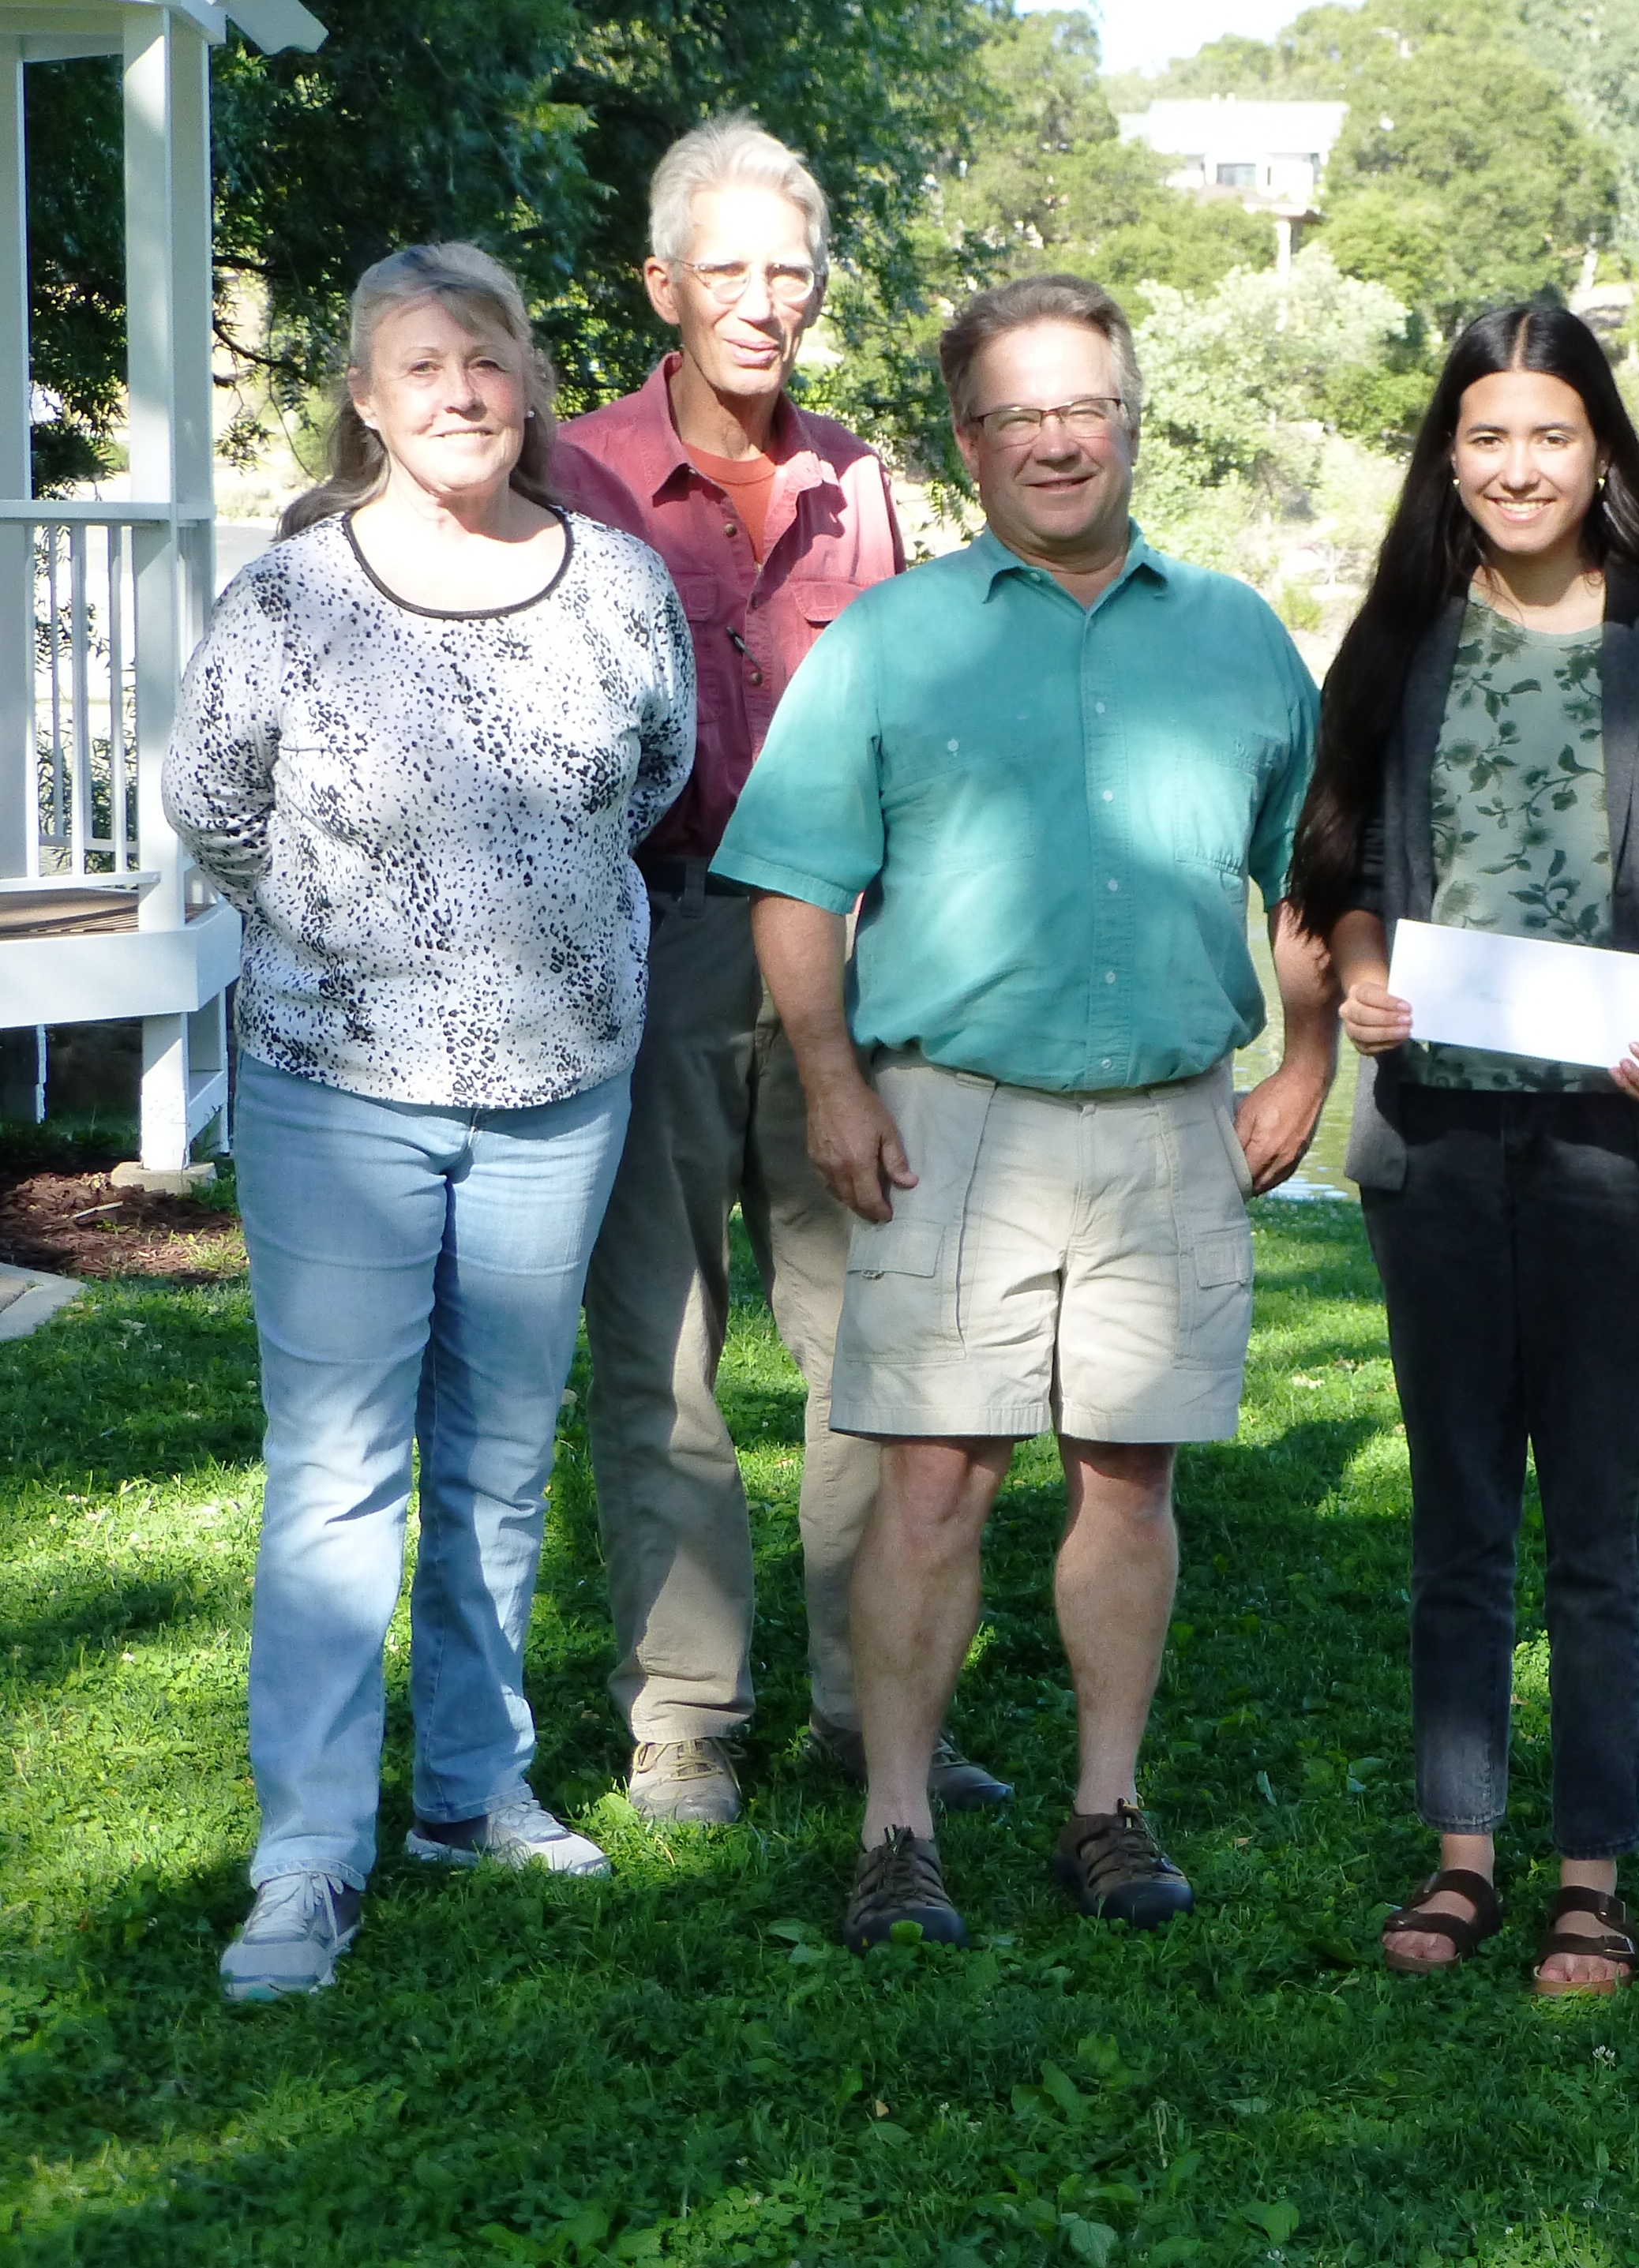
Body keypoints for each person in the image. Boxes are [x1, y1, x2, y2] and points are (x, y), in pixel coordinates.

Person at [710, 274, 1338, 1951]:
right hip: (948, 1113)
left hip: (1165, 1121)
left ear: (1131, 419)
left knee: (1127, 1480)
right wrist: (832, 1081)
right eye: (1018, 413)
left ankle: (1104, 1806)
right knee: (934, 1481)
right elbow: (787, 885)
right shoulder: (893, 638)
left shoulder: (1239, 634)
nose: (1058, 437)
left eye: (1088, 405)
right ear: (967, 440)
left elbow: (1309, 883)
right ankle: (896, 1825)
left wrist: (1304, 1061)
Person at [168, 244, 695, 2000]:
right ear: (367, 400)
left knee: (497, 1456)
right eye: (417, 365)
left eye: (484, 357)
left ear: (529, 382)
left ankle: (473, 1790)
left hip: (561, 1085)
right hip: (337, 1086)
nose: (457, 390)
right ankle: (305, 1856)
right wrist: (360, 938)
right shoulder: (290, 599)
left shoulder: (617, 583)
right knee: (338, 1471)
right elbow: (215, 805)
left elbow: (654, 776)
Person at [1286, 306, 1639, 1996]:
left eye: (1548, 436)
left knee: (1598, 1528)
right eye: (1484, 438)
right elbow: (1336, 859)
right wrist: (1356, 977)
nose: (1515, 466)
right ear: (1449, 457)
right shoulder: (1401, 636)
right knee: (1456, 1517)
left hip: (1609, 1135)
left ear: (1597, 452)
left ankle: (1589, 1871)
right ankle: (1460, 1857)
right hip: (1433, 1139)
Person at [545, 119, 968, 1831]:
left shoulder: (857, 478)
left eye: (789, 271)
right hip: (644, 937)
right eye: (727, 269)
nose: (763, 301)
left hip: (837, 953)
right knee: (661, 1336)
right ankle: (685, 1713)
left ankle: (869, 1697)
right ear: (663, 286)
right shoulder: (567, 472)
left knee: (875, 1332)